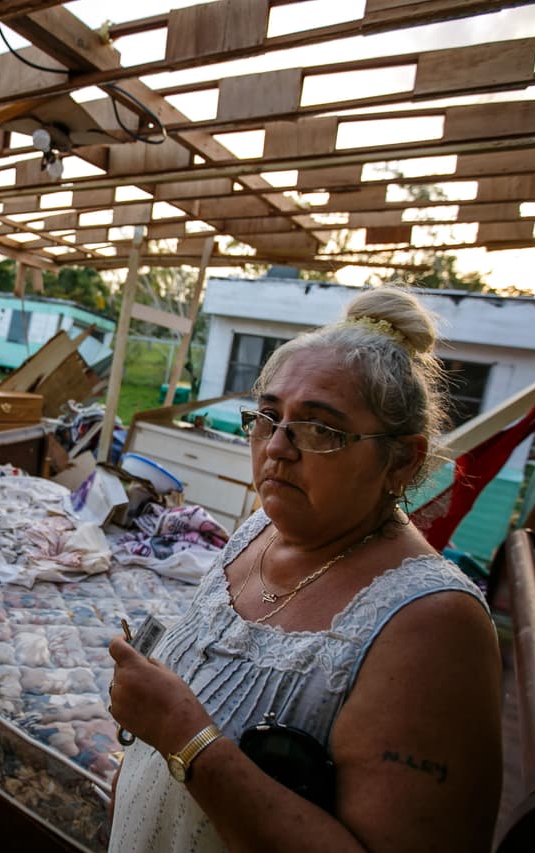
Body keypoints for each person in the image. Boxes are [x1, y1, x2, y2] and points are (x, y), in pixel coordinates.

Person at [107, 287, 502, 852]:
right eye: (268, 417)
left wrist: (180, 736)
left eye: (319, 429)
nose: (276, 449)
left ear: (402, 460)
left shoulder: (433, 627)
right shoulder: (258, 531)